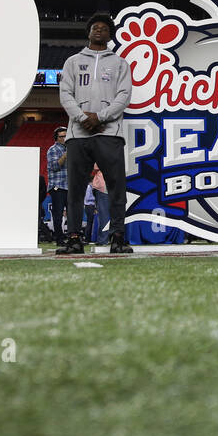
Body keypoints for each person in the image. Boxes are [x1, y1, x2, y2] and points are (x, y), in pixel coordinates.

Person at [58, 13, 133, 255]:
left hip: (109, 131)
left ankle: (118, 237)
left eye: (103, 28)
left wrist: (100, 117)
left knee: (116, 187)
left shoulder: (120, 63)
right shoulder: (72, 61)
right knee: (76, 189)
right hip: (78, 134)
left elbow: (124, 96)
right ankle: (74, 238)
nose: (98, 30)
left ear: (109, 34)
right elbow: (65, 94)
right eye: (94, 27)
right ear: (88, 32)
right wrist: (83, 118)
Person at [46, 126, 69, 240]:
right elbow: (54, 166)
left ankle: (72, 237)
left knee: (72, 214)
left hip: (70, 186)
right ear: (56, 138)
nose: (64, 138)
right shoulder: (53, 149)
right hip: (57, 186)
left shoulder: (72, 149)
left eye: (66, 136)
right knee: (58, 214)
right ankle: (59, 238)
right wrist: (65, 155)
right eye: (61, 136)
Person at [83, 163, 111, 246]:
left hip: (103, 185)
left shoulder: (101, 153)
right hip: (106, 185)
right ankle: (106, 238)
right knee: (104, 214)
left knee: (103, 215)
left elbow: (93, 168)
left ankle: (103, 239)